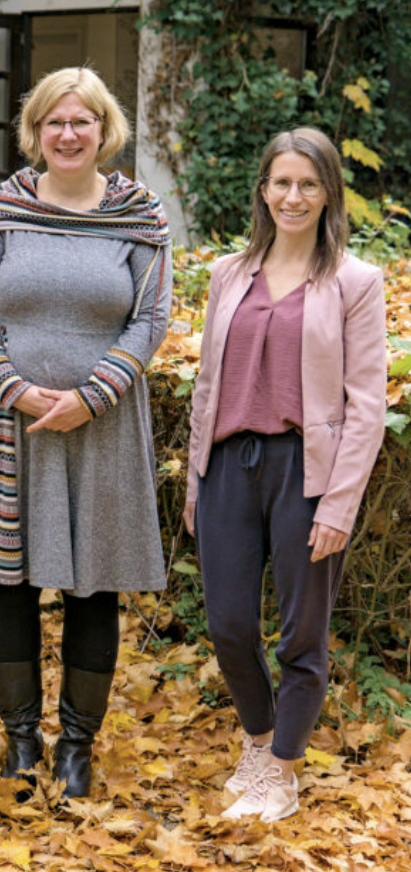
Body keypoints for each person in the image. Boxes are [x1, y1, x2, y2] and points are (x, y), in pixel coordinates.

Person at [0, 67, 172, 798]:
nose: (68, 134)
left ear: (106, 131)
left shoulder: (139, 213)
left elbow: (151, 318)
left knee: (92, 587)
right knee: (9, 584)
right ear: (35, 131)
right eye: (54, 122)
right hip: (11, 422)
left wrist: (91, 395)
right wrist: (14, 384)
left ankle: (76, 746)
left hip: (100, 428)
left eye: (83, 122)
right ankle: (19, 742)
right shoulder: (3, 206)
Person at [184, 128, 385, 823]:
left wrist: (339, 504)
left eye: (307, 184)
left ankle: (283, 768)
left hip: (307, 471)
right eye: (281, 183)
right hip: (228, 470)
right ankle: (259, 737)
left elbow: (367, 405)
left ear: (328, 191)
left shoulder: (355, 282)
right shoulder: (226, 275)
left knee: (302, 632)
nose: (292, 196)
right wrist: (193, 482)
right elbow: (207, 385)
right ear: (262, 190)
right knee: (230, 624)